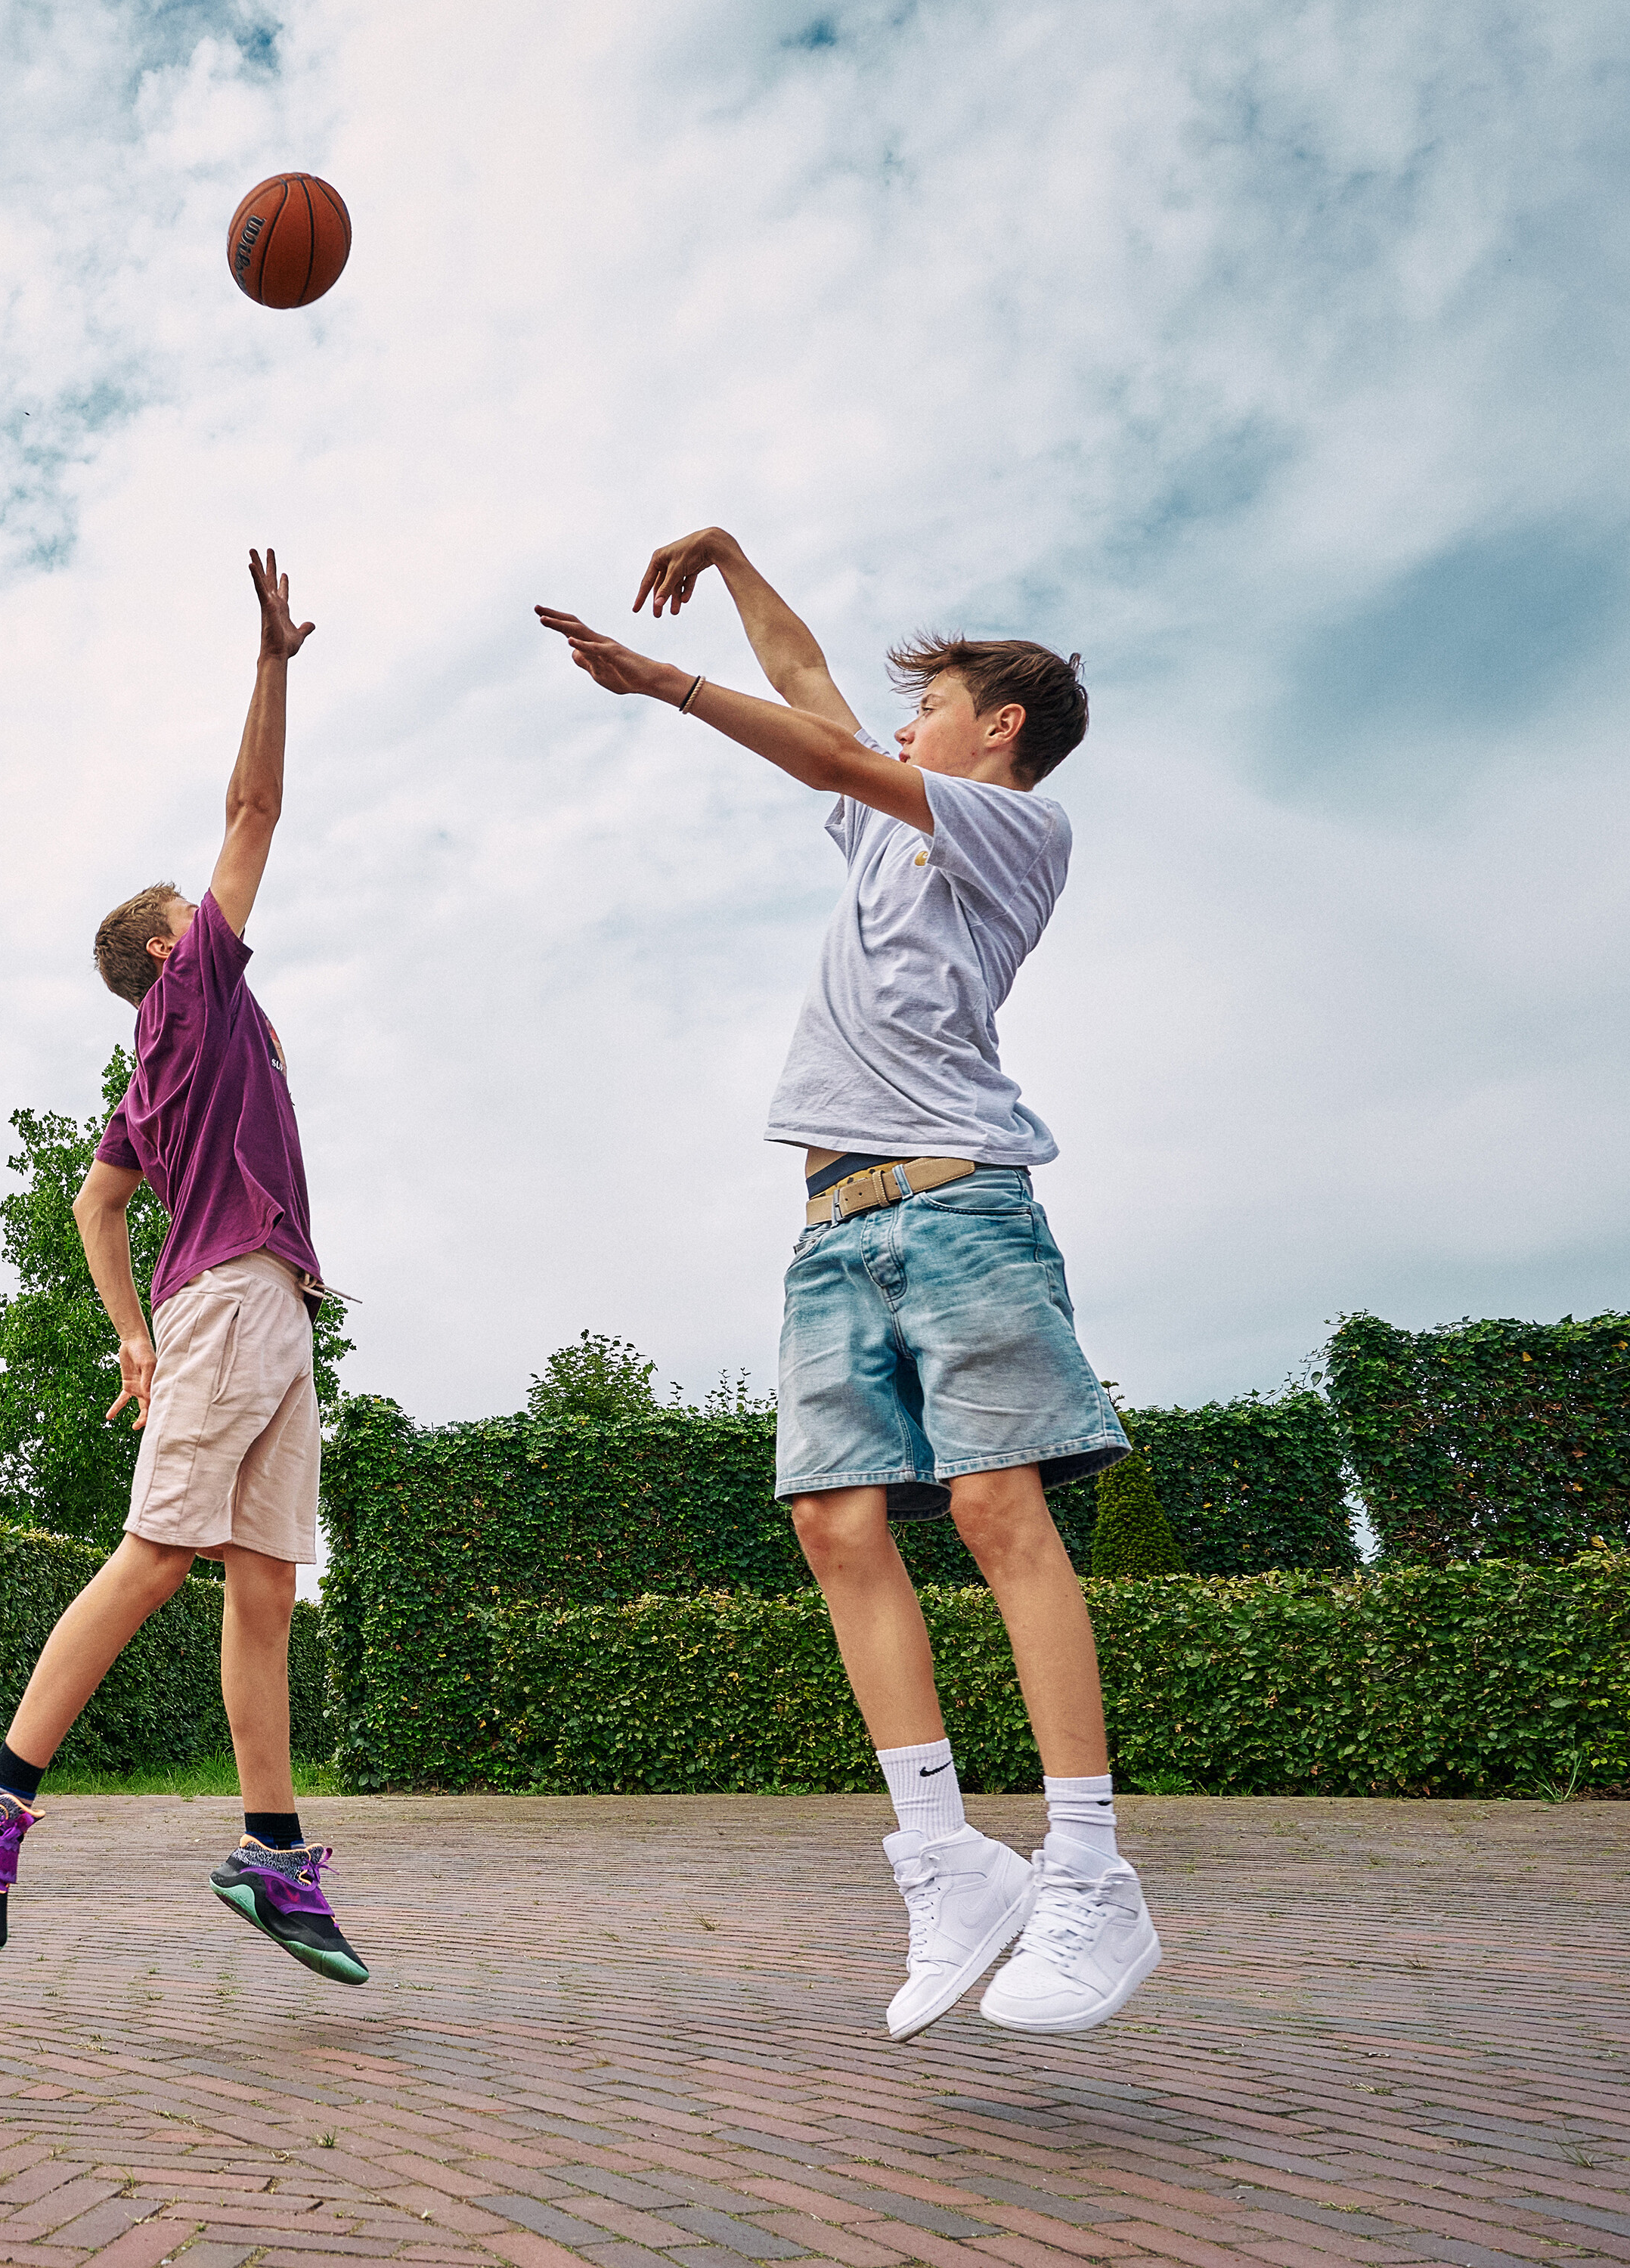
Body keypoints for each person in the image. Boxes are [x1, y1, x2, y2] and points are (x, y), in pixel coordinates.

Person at [534, 528, 1160, 2040]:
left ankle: (1089, 1872)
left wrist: (663, 685)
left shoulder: (1018, 830)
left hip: (960, 1204)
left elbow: (827, 746)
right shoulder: (887, 830)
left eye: (930, 702)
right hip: (830, 1220)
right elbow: (811, 687)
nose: (903, 722)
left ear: (997, 728)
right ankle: (949, 1865)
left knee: (1003, 1511)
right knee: (832, 1525)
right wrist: (737, 557)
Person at [0, 548, 365, 1987]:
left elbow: (94, 1199)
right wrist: (274, 663)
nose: (219, 914)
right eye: (198, 911)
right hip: (239, 1297)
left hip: (254, 1304)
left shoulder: (168, 1061)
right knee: (161, 1555)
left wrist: (131, 1332)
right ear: (167, 949)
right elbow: (256, 806)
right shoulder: (189, 996)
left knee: (259, 1589)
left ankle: (271, 1854)